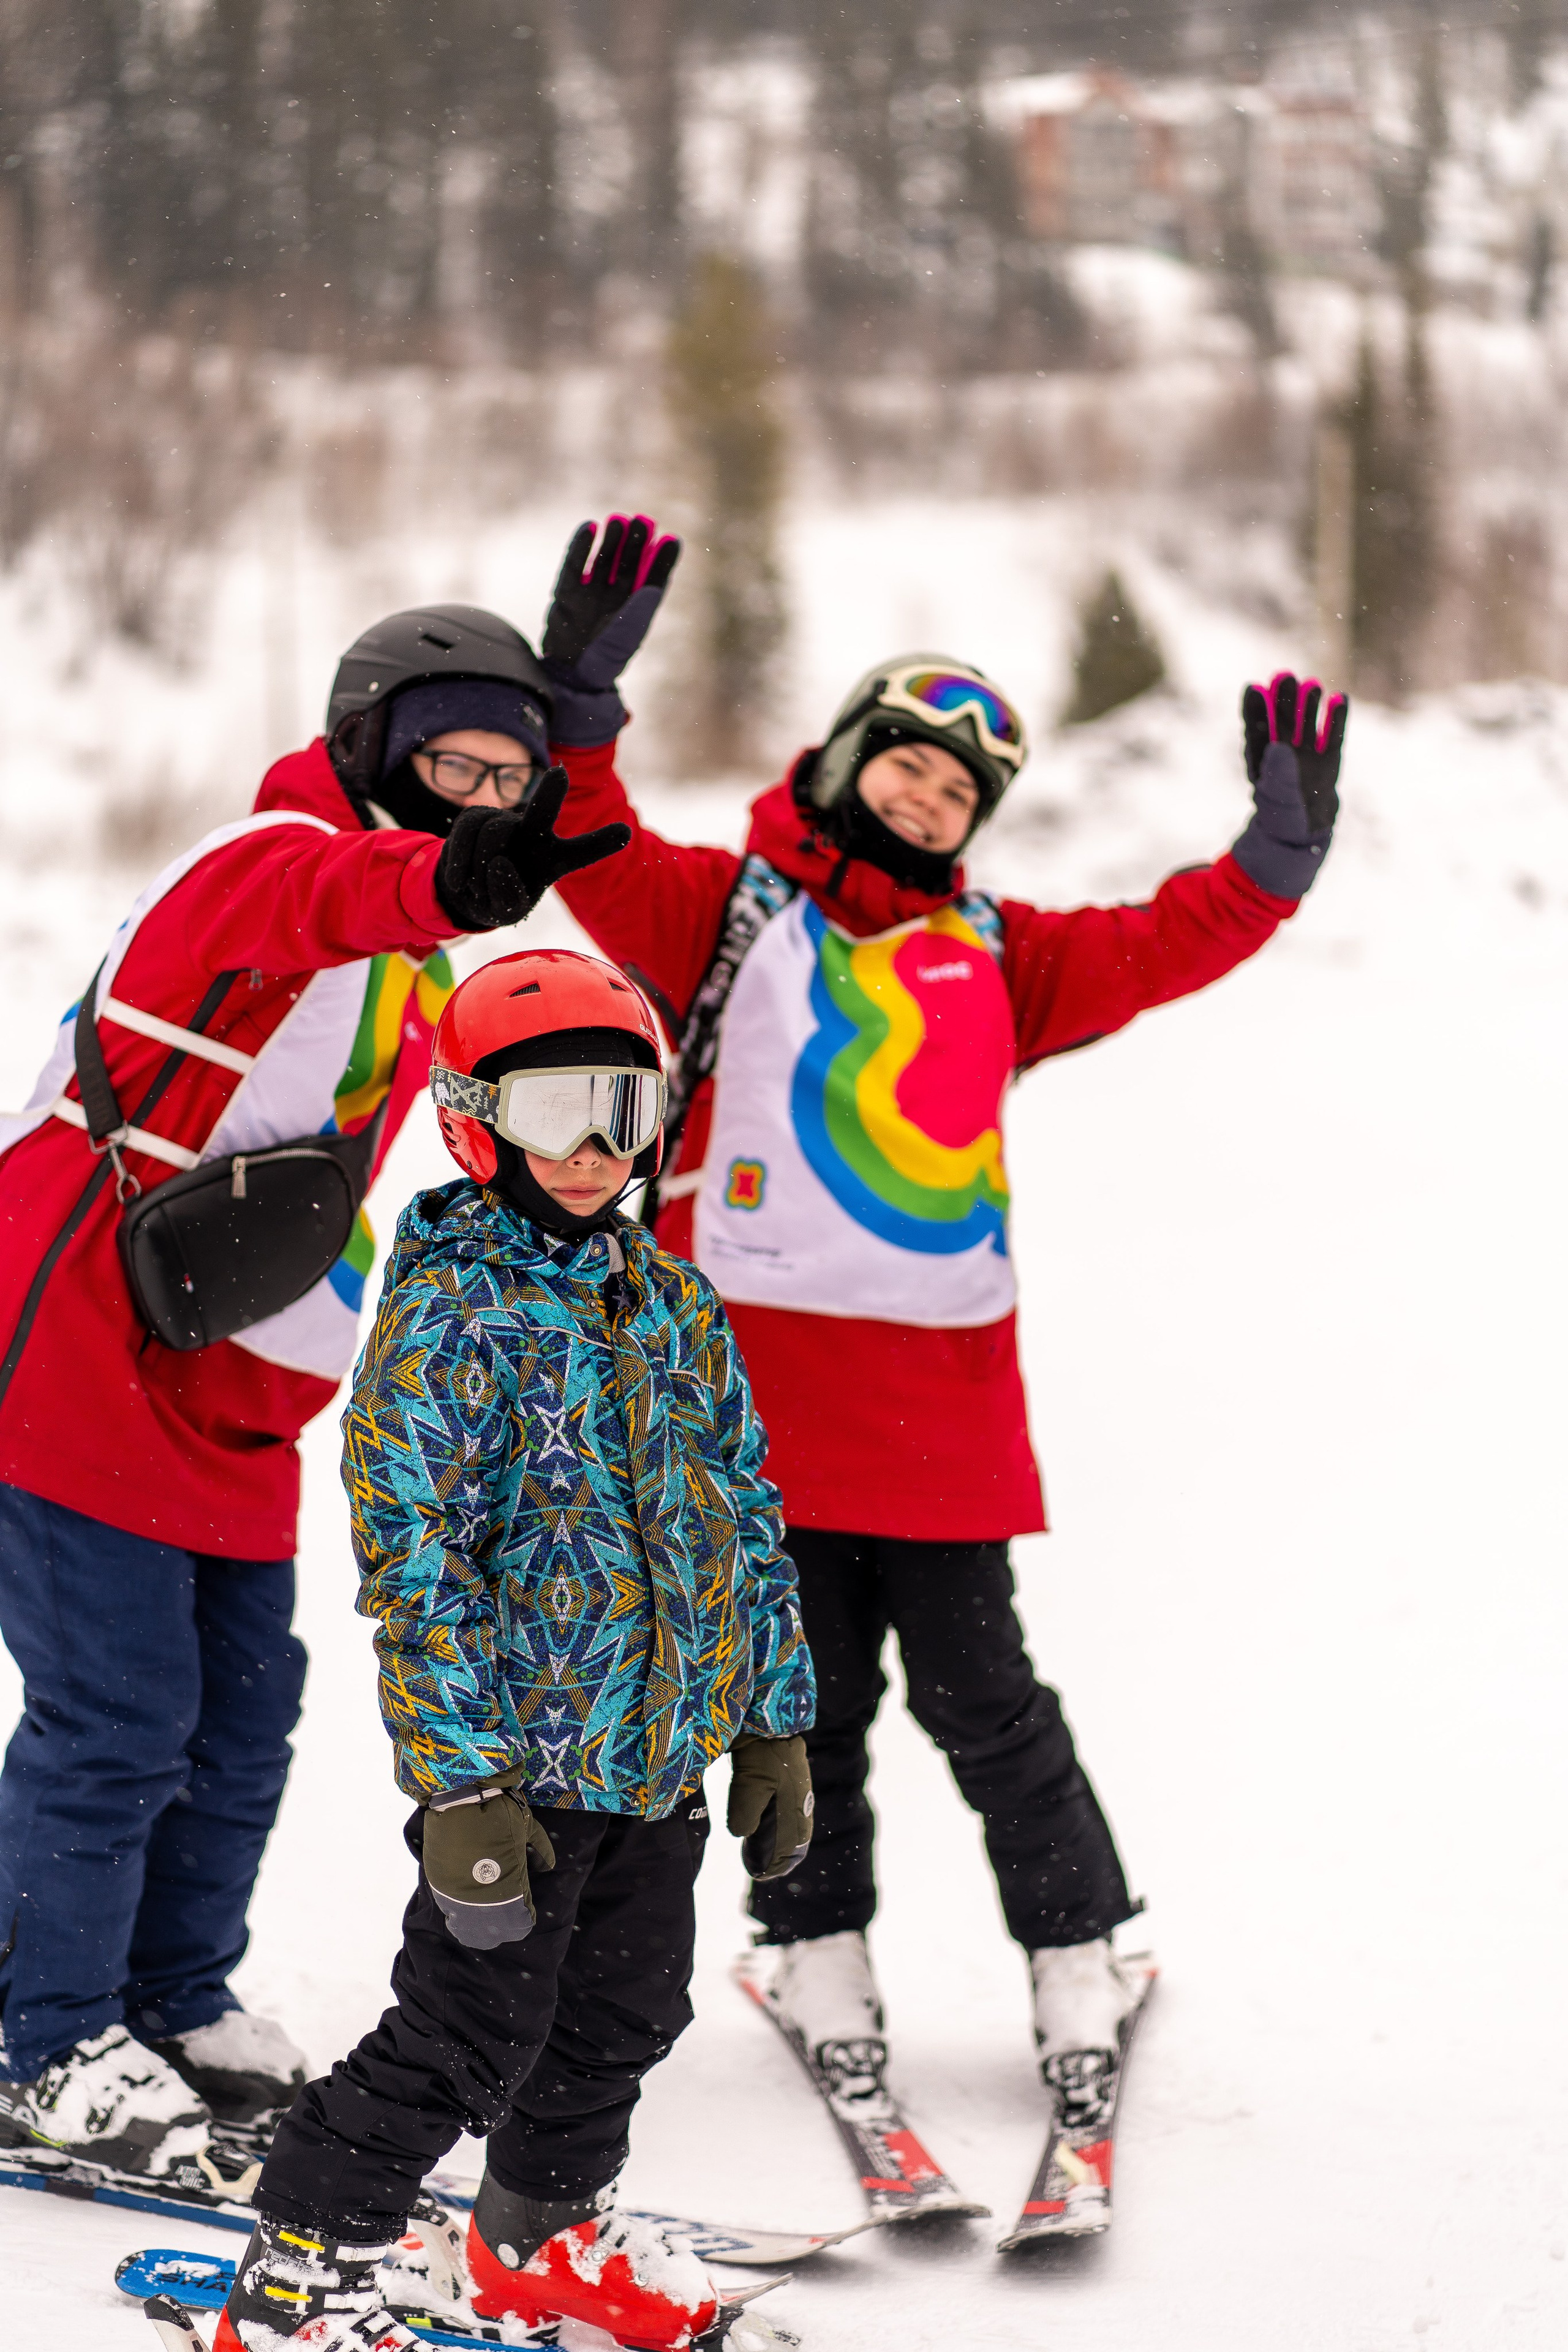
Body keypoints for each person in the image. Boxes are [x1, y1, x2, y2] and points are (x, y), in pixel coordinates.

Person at [535, 514, 1348, 2115]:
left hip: (940, 1417)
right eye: (908, 763)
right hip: (755, 1407)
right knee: (802, 1702)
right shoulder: (723, 915)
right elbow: (587, 846)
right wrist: (576, 711)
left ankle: (1074, 1949)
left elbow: (1158, 944)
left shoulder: (1000, 953)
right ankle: (816, 1940)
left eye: (961, 788)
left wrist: (1269, 868)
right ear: (844, 761)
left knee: (987, 1697)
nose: (930, 796)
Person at [0, 605, 628, 2174]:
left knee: (244, 1714)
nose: (478, 798)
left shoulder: (413, 958)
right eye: (450, 763)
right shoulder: (274, 856)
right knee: (119, 1717)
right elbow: (343, 889)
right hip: (79, 1331)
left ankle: (170, 1995)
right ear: (372, 747)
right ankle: (42, 2036)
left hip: (226, 1363)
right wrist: (461, 861)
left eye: (508, 775)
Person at [214, 946, 815, 2352]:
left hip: (654, 1764)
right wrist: (464, 1785)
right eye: (554, 1113)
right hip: (518, 1773)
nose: (597, 1148)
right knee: (463, 2035)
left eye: (621, 1106)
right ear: (473, 1119)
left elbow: (743, 1517)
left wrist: (773, 1719)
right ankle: (302, 2273)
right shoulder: (445, 1318)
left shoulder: (671, 1303)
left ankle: (537, 2237)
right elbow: (413, 1577)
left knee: (625, 2014)